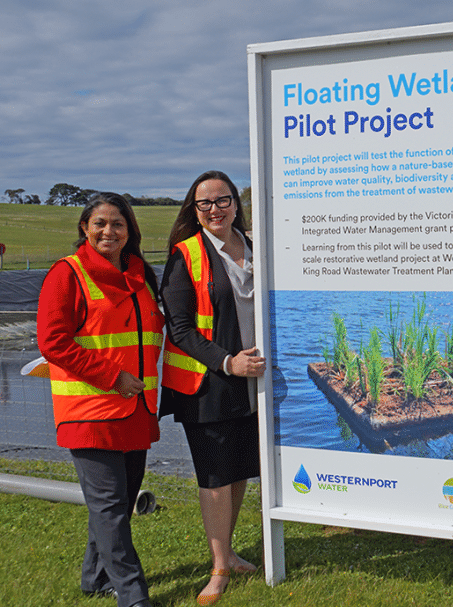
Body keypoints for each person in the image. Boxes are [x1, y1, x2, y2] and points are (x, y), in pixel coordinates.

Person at [37, 193, 163, 607]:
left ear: (131, 231)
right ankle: (133, 596)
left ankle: (93, 577)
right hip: (90, 410)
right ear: (84, 229)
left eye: (118, 224)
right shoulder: (66, 274)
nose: (109, 231)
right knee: (110, 507)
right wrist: (112, 376)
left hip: (135, 409)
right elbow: (52, 341)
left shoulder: (141, 275)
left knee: (120, 504)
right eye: (100, 224)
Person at [160, 170, 265, 606]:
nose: (215, 210)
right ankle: (219, 566)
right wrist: (227, 361)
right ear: (194, 210)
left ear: (237, 203)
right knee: (216, 477)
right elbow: (181, 329)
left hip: (253, 380)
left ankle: (231, 552)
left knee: (239, 469)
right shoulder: (185, 255)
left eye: (222, 201)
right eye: (205, 204)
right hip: (210, 383)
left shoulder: (258, 246)